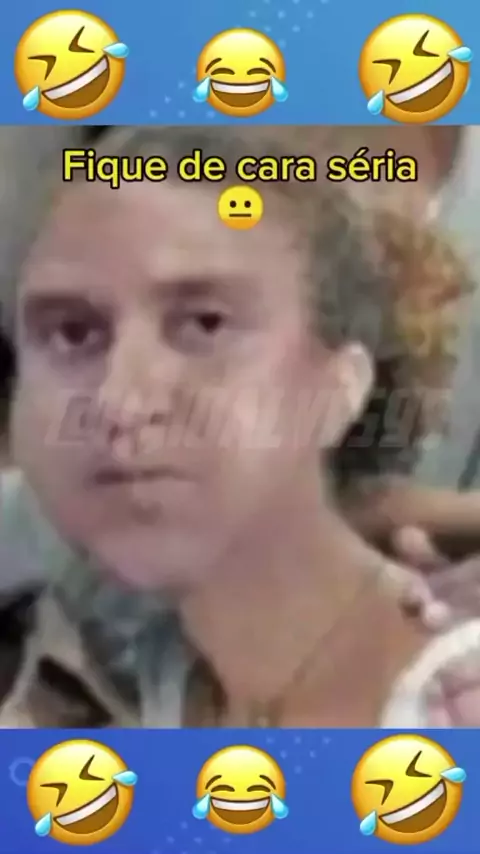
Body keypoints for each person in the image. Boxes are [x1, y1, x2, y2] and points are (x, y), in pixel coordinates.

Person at [0, 126, 480, 728]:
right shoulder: (129, 671)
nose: (118, 399)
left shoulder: (449, 702)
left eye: (205, 324)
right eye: (73, 333)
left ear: (343, 383)